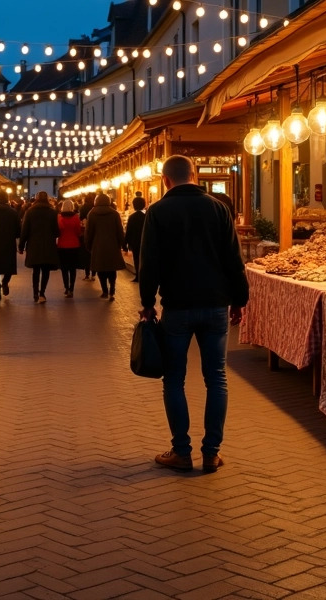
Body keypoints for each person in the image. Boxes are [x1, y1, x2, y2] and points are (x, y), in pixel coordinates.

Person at [139, 155, 248, 474]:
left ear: (164, 179)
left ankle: (181, 452)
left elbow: (150, 263)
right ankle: (212, 453)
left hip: (178, 307)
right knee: (216, 377)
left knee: (174, 378)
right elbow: (233, 258)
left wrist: (148, 302)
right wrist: (239, 299)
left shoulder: (158, 211)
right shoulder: (218, 209)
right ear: (195, 175)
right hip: (216, 305)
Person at [18, 191, 59, 303]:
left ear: (36, 199)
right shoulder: (52, 212)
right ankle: (42, 293)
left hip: (34, 245)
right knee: (46, 270)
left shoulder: (30, 212)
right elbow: (56, 231)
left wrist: (21, 246)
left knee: (36, 271)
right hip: (48, 245)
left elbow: (25, 231)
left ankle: (35, 294)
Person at [84, 193, 125, 301]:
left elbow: (88, 232)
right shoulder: (114, 213)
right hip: (112, 245)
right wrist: (122, 243)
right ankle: (112, 290)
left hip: (97, 246)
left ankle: (105, 291)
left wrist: (88, 245)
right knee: (112, 269)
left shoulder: (92, 214)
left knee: (100, 269)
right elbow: (119, 230)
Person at [56, 199, 83, 298]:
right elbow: (78, 232)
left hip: (62, 245)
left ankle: (66, 288)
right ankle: (72, 288)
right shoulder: (76, 217)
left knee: (64, 268)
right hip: (74, 245)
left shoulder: (59, 217)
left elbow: (57, 231)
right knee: (72, 268)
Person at [124, 196, 147, 282]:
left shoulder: (132, 217)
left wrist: (125, 244)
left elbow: (128, 231)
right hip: (145, 241)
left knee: (136, 259)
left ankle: (138, 276)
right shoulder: (146, 216)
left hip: (135, 242)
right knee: (144, 259)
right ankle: (144, 276)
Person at [78, 192, 96, 280]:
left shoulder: (83, 207)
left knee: (86, 254)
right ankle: (93, 273)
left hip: (85, 232)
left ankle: (87, 274)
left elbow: (80, 219)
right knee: (93, 254)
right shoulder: (95, 207)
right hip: (95, 233)